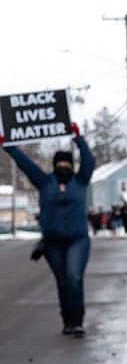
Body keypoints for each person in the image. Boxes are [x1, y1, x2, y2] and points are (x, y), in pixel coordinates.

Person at [1, 124, 95, 336]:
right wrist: (9, 146)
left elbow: (89, 161)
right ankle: (67, 322)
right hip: (53, 242)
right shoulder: (44, 182)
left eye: (66, 163)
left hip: (77, 240)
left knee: (74, 276)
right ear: (54, 166)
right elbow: (25, 164)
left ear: (71, 165)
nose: (63, 166)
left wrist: (78, 139)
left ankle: (78, 320)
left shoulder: (80, 181)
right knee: (62, 281)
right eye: (59, 163)